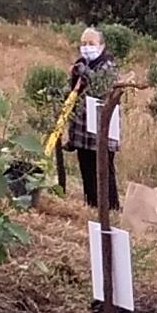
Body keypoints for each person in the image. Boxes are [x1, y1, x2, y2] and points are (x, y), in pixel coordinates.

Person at [62, 28, 122, 209]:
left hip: (102, 128)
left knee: (103, 169)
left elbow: (100, 88)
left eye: (91, 43)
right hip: (82, 130)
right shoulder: (80, 64)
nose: (87, 47)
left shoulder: (108, 66)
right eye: (83, 43)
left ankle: (111, 208)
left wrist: (84, 72)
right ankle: (91, 204)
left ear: (101, 46)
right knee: (86, 168)